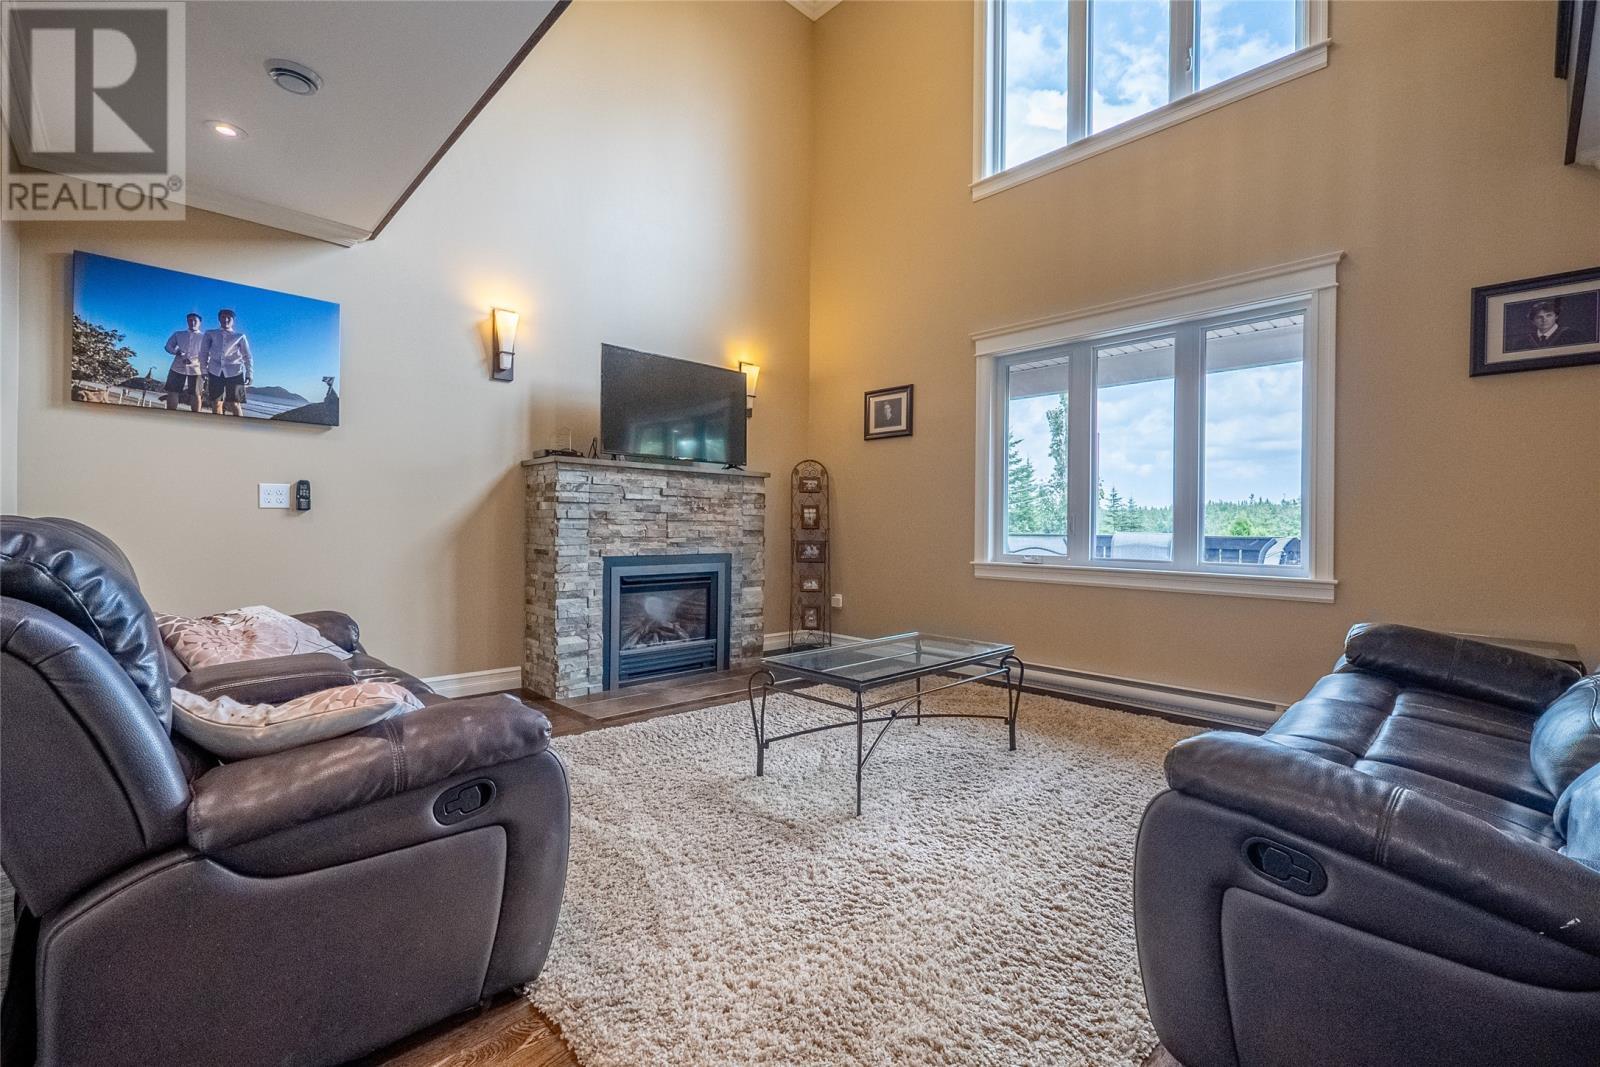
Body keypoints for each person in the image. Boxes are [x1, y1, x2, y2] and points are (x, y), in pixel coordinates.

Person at [203, 308, 253, 416]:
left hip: (235, 372)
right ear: (219, 319)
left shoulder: (240, 336)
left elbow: (247, 356)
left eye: (228, 318)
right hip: (214, 371)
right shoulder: (210, 333)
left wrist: (249, 373)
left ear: (233, 320)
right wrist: (203, 369)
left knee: (234, 404)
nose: (225, 320)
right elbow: (203, 352)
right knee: (216, 403)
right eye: (223, 317)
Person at [162, 313, 206, 413]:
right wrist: (176, 352)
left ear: (200, 322)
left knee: (196, 394)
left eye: (195, 320)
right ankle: (170, 415)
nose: (192, 322)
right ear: (187, 321)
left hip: (196, 369)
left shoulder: (204, 337)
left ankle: (195, 419)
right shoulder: (178, 334)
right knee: (173, 392)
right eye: (190, 320)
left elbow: (209, 353)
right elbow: (168, 346)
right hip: (177, 367)